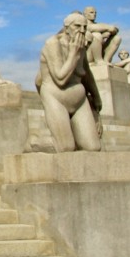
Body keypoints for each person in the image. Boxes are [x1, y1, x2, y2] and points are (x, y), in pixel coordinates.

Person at [35, 12, 103, 153]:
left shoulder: (80, 46)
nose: (82, 31)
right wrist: (73, 53)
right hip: (56, 97)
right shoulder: (53, 44)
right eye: (77, 26)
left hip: (78, 99)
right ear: (66, 28)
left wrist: (96, 97)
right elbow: (60, 79)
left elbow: (87, 74)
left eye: (85, 27)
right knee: (65, 147)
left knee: (93, 147)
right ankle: (33, 143)